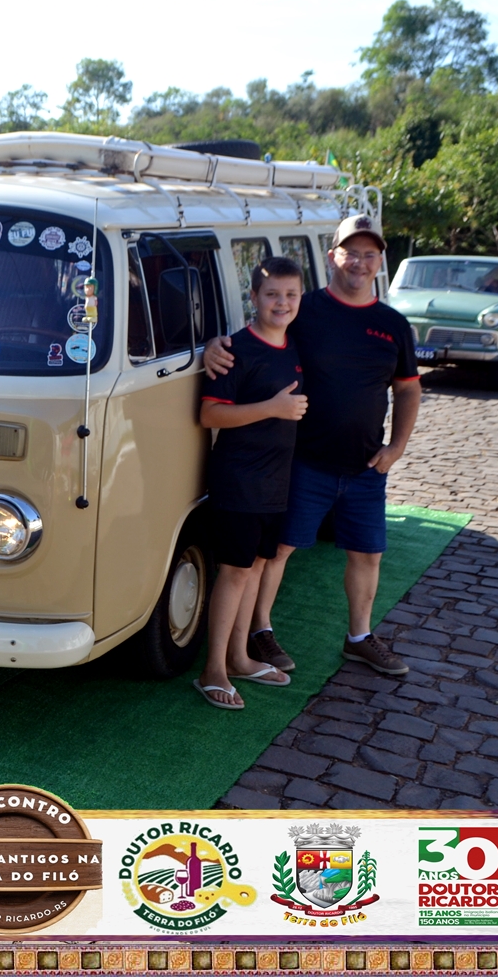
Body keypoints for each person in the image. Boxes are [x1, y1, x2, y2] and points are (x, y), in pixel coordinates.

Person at [203, 213, 421, 676]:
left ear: (380, 261)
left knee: (368, 553)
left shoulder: (393, 325)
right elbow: (258, 335)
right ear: (332, 256)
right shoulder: (305, 309)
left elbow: (407, 389)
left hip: (367, 464)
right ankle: (260, 631)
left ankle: (359, 637)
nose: (359, 262)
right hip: (303, 460)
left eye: (369, 254)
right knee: (278, 550)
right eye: (350, 252)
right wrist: (213, 346)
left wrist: (397, 447)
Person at [192, 256, 306, 708]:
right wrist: (272, 408)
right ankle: (213, 670)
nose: (282, 303)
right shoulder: (234, 350)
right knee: (235, 571)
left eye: (291, 294)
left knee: (257, 567)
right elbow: (210, 415)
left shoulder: (295, 345)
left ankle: (239, 658)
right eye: (272, 294)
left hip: (276, 482)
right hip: (239, 480)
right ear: (254, 297)